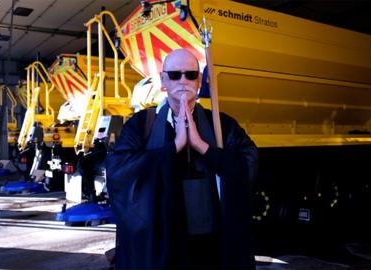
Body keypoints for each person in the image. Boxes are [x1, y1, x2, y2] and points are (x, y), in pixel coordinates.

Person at [106, 49, 258, 269]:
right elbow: (119, 170)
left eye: (191, 74)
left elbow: (248, 161)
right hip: (163, 246)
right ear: (163, 80)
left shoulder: (220, 124)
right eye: (175, 75)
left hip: (212, 248)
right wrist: (173, 147)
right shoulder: (141, 125)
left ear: (199, 81)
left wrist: (203, 148)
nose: (183, 80)